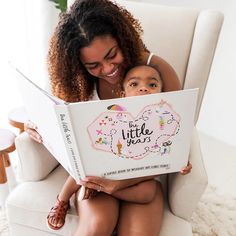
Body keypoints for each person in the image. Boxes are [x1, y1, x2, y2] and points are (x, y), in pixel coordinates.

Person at [24, 0, 192, 235]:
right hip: (96, 179)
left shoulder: (154, 71)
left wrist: (119, 185)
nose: (108, 69)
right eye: (93, 65)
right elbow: (55, 115)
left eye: (112, 55)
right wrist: (35, 124)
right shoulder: (78, 82)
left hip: (142, 179)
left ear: (122, 39)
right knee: (94, 228)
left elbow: (176, 142)